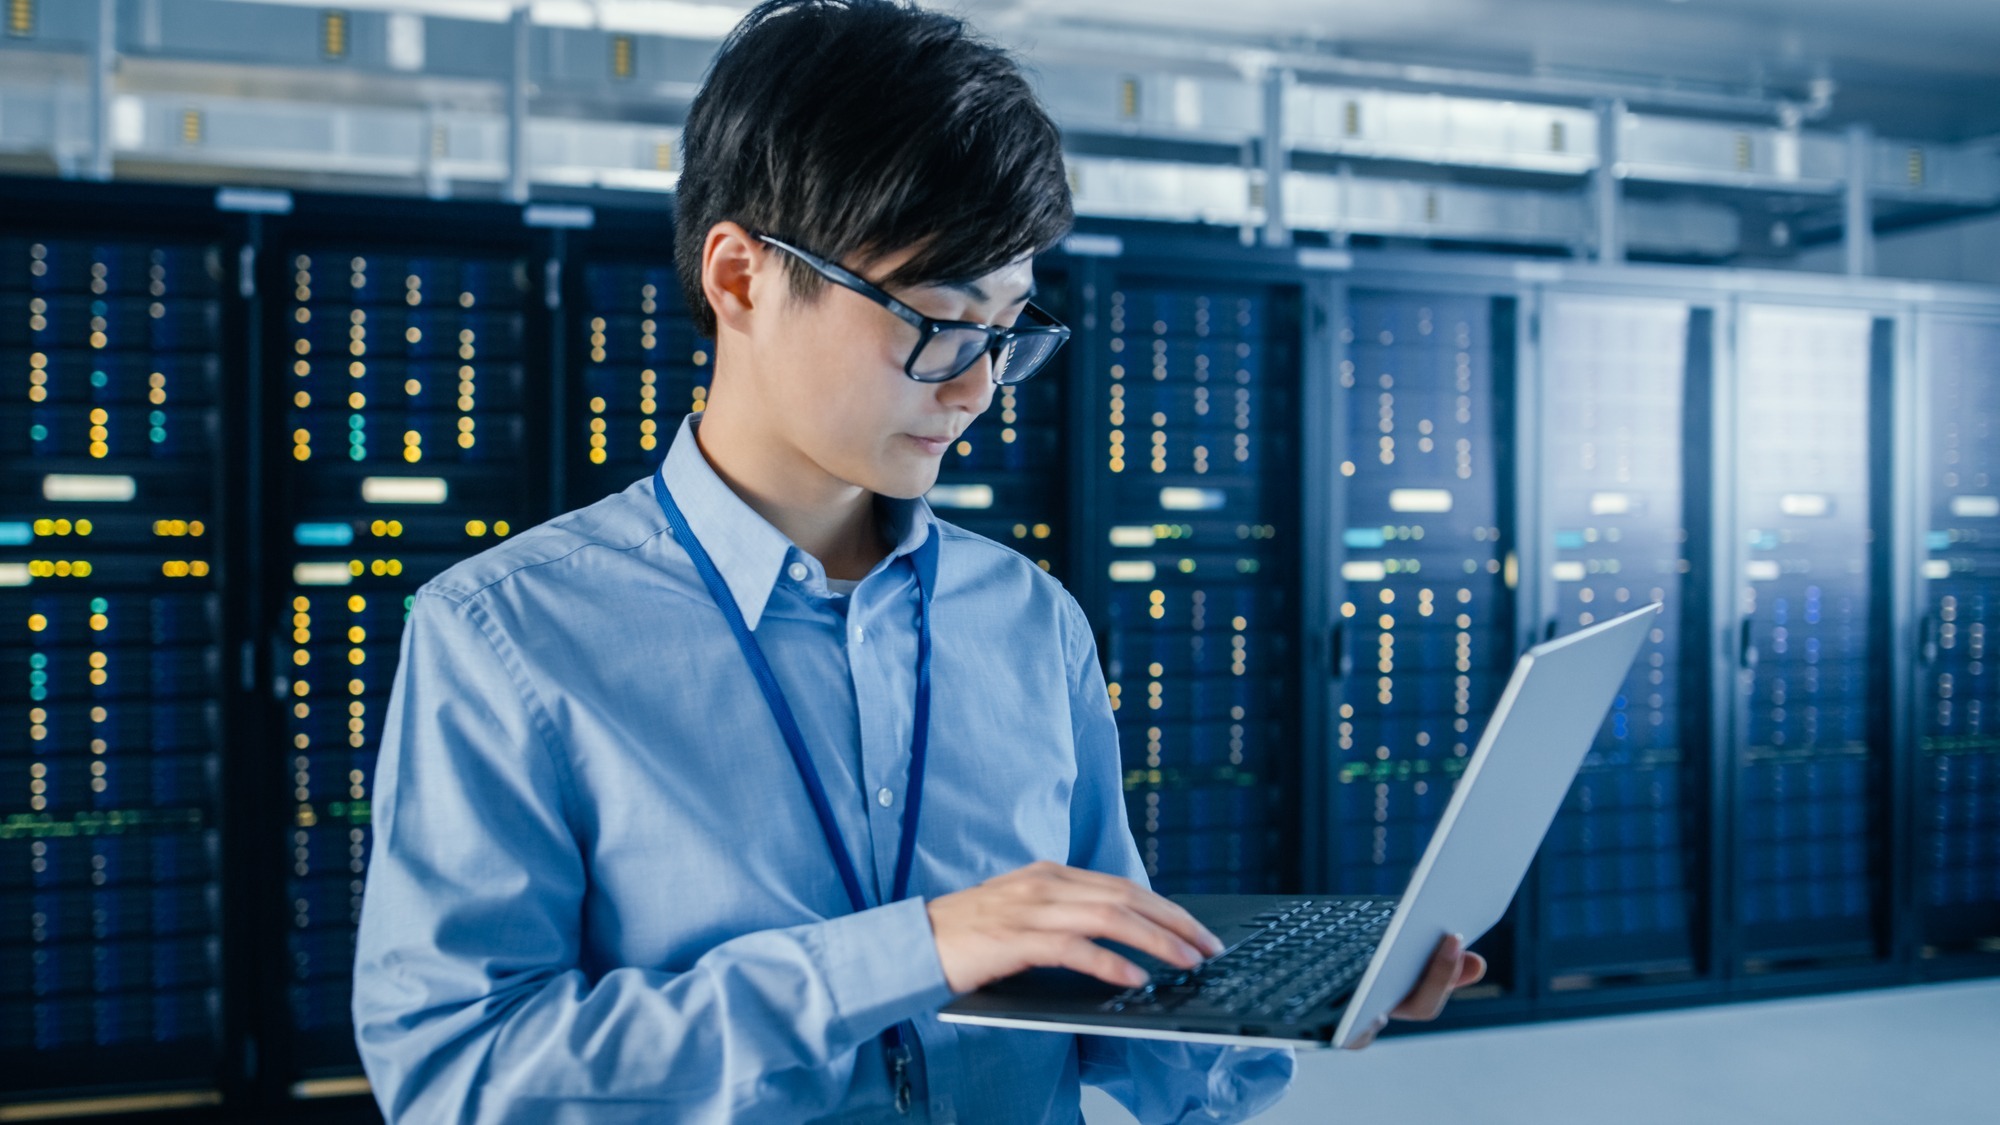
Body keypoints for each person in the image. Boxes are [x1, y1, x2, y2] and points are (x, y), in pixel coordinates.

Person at [350, 1, 1485, 1121]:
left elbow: (1105, 998)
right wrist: (914, 951)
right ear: (740, 276)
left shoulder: (1027, 621)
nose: (975, 386)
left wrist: (1279, 1010)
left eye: (1005, 330)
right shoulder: (511, 635)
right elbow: (462, 1076)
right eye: (937, 318)